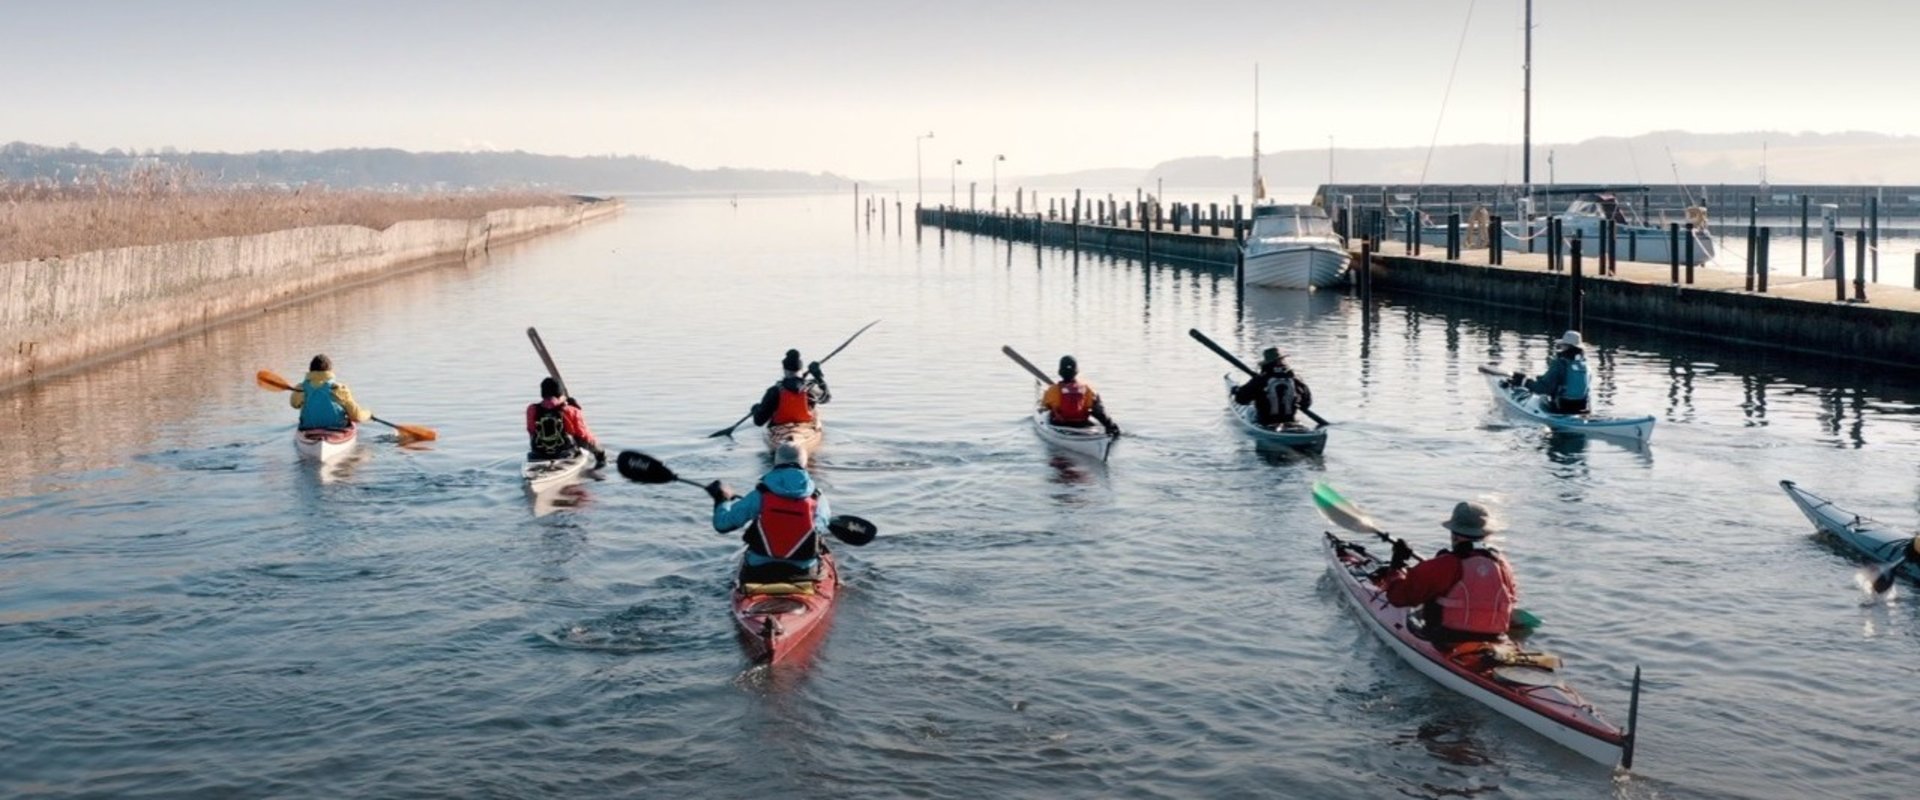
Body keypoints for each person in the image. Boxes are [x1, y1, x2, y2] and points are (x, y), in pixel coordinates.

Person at [1378, 501, 1518, 643]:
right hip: (1496, 638)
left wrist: (1396, 566)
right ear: (1484, 534)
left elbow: (1398, 598)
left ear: (1455, 535)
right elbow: (1511, 599)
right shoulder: (1503, 564)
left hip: (1447, 639)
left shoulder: (1444, 565)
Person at [707, 441, 832, 583]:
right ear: (804, 463)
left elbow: (722, 525)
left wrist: (722, 500)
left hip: (759, 570)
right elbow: (820, 528)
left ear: (776, 461)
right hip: (803, 571)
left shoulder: (759, 495)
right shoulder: (817, 498)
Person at [526, 377, 605, 467]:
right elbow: (584, 437)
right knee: (579, 440)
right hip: (565, 456)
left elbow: (531, 432)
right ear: (560, 394)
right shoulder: (571, 411)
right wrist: (600, 453)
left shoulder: (531, 410)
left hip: (537, 455)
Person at [1232, 347, 1313, 430]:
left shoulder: (1260, 380)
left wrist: (1237, 391)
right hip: (1290, 420)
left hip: (1266, 423)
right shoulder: (1296, 379)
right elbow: (1306, 404)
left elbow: (1241, 400)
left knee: (1249, 411)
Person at [1039, 355, 1120, 436]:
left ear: (1060, 372)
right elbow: (1097, 409)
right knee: (1097, 406)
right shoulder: (1086, 389)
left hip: (1060, 424)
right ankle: (1111, 429)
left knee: (1050, 412)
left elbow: (1044, 406)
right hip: (1081, 424)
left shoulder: (1052, 389)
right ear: (1076, 372)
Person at [750, 349, 830, 428]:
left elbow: (759, 422)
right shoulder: (810, 388)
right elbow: (826, 398)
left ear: (784, 370)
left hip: (779, 426)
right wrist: (818, 376)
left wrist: (755, 409)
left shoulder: (774, 391)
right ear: (801, 370)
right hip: (805, 425)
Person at [290, 354, 372, 431]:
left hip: (308, 428)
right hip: (337, 428)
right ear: (330, 371)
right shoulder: (339, 389)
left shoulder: (300, 388)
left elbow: (294, 404)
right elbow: (356, 417)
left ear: (310, 370)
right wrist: (368, 414)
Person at [1518, 330, 1590, 413]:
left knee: (1541, 398)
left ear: (1566, 346)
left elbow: (1543, 389)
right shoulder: (1585, 365)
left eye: (1562, 345)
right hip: (1581, 407)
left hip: (1561, 407)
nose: (1561, 347)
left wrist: (1525, 382)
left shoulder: (1559, 363)